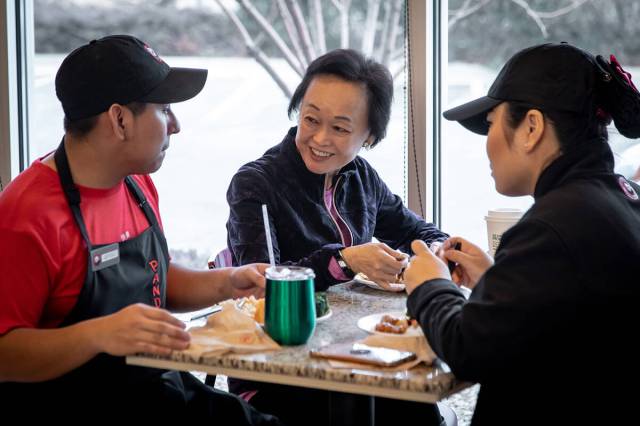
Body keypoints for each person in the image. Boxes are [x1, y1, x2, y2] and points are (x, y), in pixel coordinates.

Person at [0, 35, 282, 424]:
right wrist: (99, 335)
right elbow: (4, 354)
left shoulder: (136, 184)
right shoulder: (27, 215)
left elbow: (156, 277)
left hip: (155, 389)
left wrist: (230, 282)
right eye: (164, 109)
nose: (176, 126)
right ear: (119, 120)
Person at [402, 43, 640, 425]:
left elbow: (468, 348)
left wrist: (430, 284)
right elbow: (570, 319)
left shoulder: (554, 223)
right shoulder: (619, 200)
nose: (487, 144)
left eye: (493, 123)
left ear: (531, 127)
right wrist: (497, 278)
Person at [226, 49, 448, 425]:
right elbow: (260, 285)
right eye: (310, 119)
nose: (319, 138)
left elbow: (418, 233)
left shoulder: (361, 178)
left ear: (370, 137)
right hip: (278, 369)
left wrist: (440, 251)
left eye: (341, 128)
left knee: (415, 400)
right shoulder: (256, 183)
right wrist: (345, 260)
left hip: (355, 354)